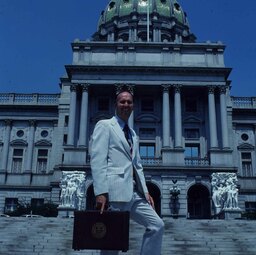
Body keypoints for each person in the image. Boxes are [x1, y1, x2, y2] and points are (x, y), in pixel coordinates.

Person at [90, 90, 164, 255]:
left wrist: (145, 191)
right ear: (116, 104)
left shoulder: (133, 133)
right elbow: (97, 160)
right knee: (112, 240)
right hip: (115, 191)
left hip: (134, 192)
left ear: (133, 106)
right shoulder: (105, 125)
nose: (126, 105)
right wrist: (101, 192)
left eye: (129, 102)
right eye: (122, 102)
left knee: (157, 225)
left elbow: (137, 165)